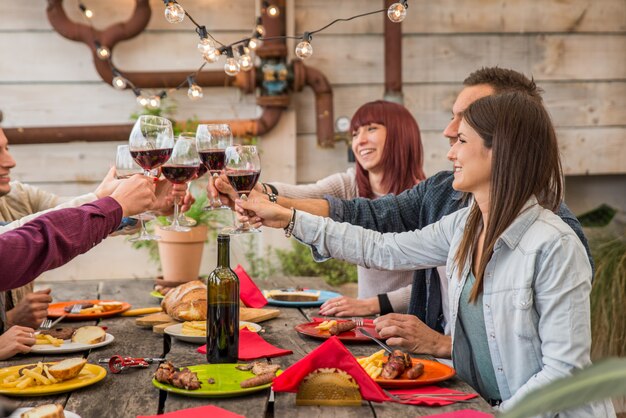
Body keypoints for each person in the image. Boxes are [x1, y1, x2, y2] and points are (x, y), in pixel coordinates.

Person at [237, 92, 615, 415]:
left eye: (462, 141)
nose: (450, 150)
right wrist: (288, 218)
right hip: (479, 404)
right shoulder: (465, 224)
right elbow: (380, 247)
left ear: (500, 150)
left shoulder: (554, 244)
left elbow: (564, 373)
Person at [217, 67, 592, 358]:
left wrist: (443, 345)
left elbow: (545, 366)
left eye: (465, 123)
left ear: (509, 133)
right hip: (456, 380)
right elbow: (377, 239)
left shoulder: (556, 238)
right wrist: (273, 205)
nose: (448, 135)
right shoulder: (457, 212)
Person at [242, 101, 426, 316]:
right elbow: (304, 195)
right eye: (355, 134)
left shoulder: (425, 199)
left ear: (401, 134)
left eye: (372, 129)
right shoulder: (350, 184)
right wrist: (256, 190)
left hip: (413, 324)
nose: (360, 140)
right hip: (366, 321)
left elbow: (434, 286)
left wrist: (371, 304)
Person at [0, 173, 156, 359]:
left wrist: (119, 204)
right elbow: (26, 240)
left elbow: (57, 217)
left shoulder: (18, 195)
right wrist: (112, 204)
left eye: (6, 148)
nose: (9, 161)